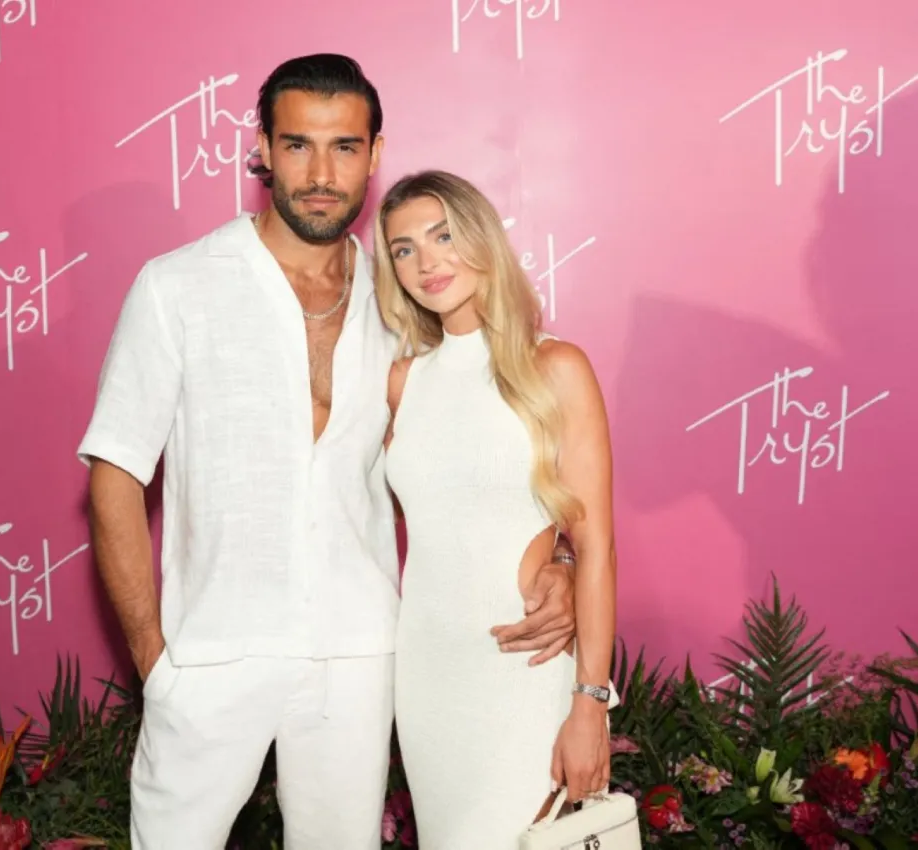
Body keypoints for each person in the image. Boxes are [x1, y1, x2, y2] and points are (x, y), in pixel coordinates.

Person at [75, 54, 582, 850]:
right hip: (212, 652)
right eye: (298, 144)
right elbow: (114, 476)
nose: (320, 172)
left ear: (375, 155)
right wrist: (155, 663)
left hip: (361, 653)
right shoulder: (177, 287)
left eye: (344, 146)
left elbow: (497, 442)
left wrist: (561, 561)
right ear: (264, 149)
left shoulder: (406, 301)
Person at [374, 169, 619, 847]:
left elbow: (595, 545)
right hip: (426, 677)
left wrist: (589, 705)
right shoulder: (405, 381)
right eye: (403, 249)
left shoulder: (557, 367)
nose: (427, 262)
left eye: (443, 235)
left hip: (525, 673)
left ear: (480, 237)